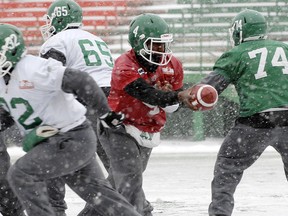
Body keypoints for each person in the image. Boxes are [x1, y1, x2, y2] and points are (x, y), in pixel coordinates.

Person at [0, 23, 142, 216]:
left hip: (70, 138)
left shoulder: (33, 68)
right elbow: (7, 114)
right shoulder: (4, 80)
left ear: (10, 50)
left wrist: (104, 113)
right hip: (59, 141)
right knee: (101, 196)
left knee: (21, 174)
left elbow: (79, 80)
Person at [180, 9, 288, 216]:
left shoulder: (236, 54)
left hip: (257, 121)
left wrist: (184, 97)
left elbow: (209, 89)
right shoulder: (284, 48)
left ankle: (220, 213)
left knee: (227, 168)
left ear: (239, 31)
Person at [80, 13, 185, 216]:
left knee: (117, 181)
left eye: (163, 45)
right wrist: (176, 96)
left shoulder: (173, 65)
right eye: (155, 45)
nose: (161, 51)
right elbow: (146, 93)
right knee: (130, 176)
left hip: (148, 127)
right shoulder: (124, 64)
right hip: (119, 125)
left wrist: (176, 99)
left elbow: (173, 107)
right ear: (139, 43)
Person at [39, 0, 113, 214]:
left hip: (83, 99)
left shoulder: (58, 41)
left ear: (59, 18)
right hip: (112, 102)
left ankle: (55, 208)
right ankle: (128, 203)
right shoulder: (96, 39)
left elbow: (52, 78)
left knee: (51, 151)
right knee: (115, 165)